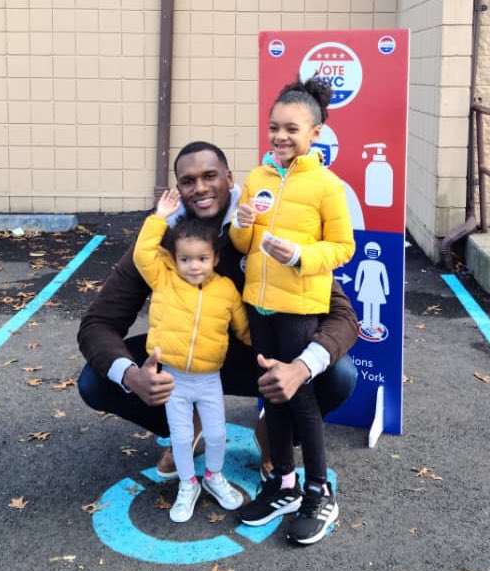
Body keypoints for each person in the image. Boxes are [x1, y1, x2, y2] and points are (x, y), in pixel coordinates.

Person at [76, 140, 358, 483]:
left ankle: (276, 431)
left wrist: (299, 368)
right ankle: (185, 423)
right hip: (185, 361)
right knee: (97, 380)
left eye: (209, 176)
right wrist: (133, 376)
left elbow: (343, 316)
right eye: (188, 181)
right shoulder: (161, 236)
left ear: (229, 178)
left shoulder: (267, 225)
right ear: (178, 189)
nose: (200, 188)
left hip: (259, 357)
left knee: (339, 375)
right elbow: (99, 323)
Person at [230, 77, 355, 545]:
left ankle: (319, 491)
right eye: (273, 128)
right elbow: (243, 243)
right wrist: (242, 224)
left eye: (291, 129)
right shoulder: (257, 178)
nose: (280, 137)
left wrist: (301, 256)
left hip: (300, 308)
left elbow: (342, 247)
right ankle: (283, 483)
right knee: (272, 397)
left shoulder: (327, 185)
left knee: (300, 398)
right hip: (258, 306)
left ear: (315, 134)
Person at [132, 189, 250, 522]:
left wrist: (268, 349)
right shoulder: (164, 278)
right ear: (175, 259)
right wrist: (159, 218)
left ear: (214, 259)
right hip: (173, 379)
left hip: (209, 378)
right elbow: (143, 254)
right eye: (185, 259)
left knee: (216, 434)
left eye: (201, 258)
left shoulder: (226, 289)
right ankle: (188, 483)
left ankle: (213, 476)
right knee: (182, 438)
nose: (193, 266)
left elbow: (243, 328)